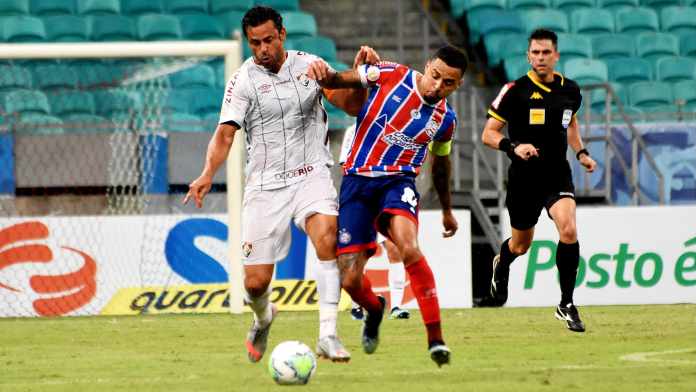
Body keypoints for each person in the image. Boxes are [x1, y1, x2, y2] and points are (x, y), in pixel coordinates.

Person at [184, 6, 377, 363]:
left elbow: (351, 107)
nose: (262, 49)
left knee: (328, 239)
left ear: (282, 35)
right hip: (265, 185)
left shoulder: (310, 66)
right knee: (255, 284)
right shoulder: (242, 81)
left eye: (268, 40)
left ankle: (328, 334)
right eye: (255, 43)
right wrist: (207, 173)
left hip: (311, 175)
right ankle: (263, 316)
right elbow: (224, 134)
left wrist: (355, 74)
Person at [307, 45, 469, 367]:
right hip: (358, 182)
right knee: (350, 279)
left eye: (448, 83)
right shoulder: (392, 74)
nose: (437, 86)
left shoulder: (445, 120)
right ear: (427, 66)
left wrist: (447, 209)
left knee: (409, 247)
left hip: (398, 184)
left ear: (458, 85)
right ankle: (376, 309)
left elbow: (440, 165)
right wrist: (328, 76)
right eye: (435, 76)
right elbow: (345, 79)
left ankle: (435, 339)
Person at [481, 29, 597, 332]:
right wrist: (513, 146)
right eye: (535, 52)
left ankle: (566, 304)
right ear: (528, 55)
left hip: (557, 173)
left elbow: (569, 122)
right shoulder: (514, 90)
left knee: (568, 229)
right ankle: (501, 263)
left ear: (556, 55)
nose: (540, 58)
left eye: (546, 52)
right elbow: (488, 134)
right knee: (520, 246)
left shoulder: (570, 90)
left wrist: (581, 151)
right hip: (523, 179)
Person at [339, 125, 410, 321]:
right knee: (359, 254)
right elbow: (345, 166)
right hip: (361, 197)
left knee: (394, 248)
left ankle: (396, 306)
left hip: (387, 195)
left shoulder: (394, 127)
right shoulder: (353, 130)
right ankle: (357, 306)